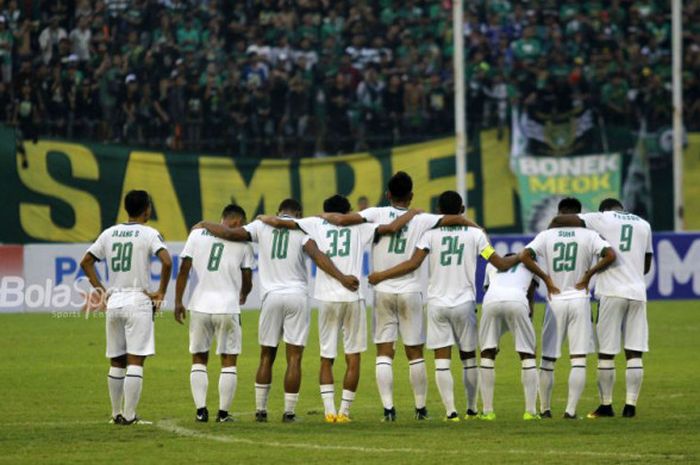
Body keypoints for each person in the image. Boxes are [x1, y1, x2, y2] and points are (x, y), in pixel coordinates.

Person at [321, 172, 480, 421]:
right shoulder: (422, 218)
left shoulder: (374, 214)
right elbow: (455, 220)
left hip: (382, 291)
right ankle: (420, 409)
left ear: (388, 194)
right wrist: (476, 227)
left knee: (385, 353)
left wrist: (323, 216)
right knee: (414, 353)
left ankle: (388, 409)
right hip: (410, 291)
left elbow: (342, 220)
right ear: (412, 195)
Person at [257, 194, 421, 423]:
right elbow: (393, 228)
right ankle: (344, 412)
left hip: (326, 298)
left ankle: (328, 412)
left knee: (327, 357)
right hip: (353, 297)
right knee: (353, 357)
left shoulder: (313, 224)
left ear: (327, 210)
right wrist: (412, 213)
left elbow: (281, 222)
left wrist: (264, 217)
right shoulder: (360, 226)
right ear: (349, 211)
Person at [194, 199, 359, 423]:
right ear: (298, 213)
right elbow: (319, 257)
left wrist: (204, 223)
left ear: (278, 211)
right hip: (297, 297)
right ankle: (289, 413)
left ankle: (261, 410)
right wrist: (342, 278)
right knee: (294, 358)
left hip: (270, 297)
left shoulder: (261, 226)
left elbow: (231, 234)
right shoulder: (302, 227)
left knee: (266, 355)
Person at [367, 191, 518, 421]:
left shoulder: (429, 234)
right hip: (464, 303)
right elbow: (499, 263)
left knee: (441, 361)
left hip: (437, 303)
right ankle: (471, 408)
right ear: (463, 209)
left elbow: (413, 263)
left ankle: (451, 412)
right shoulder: (476, 235)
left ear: (438, 210)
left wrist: (382, 275)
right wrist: (522, 257)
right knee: (468, 358)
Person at [550, 198, 653, 418]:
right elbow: (646, 265)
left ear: (603, 210)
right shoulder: (644, 224)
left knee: (607, 353)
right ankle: (630, 406)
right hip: (637, 292)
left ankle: (606, 405)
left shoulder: (602, 218)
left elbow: (562, 219)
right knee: (634, 351)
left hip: (611, 291)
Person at [80, 190, 172, 425]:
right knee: (135, 360)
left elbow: (86, 262)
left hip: (115, 301)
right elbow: (167, 261)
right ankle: (130, 416)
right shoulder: (149, 233)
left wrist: (101, 290)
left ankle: (115, 414)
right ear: (147, 209)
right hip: (137, 301)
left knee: (116, 361)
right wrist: (161, 292)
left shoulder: (109, 233)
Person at [520, 197, 616, 419]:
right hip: (579, 299)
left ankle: (545, 409)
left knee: (548, 359)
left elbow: (524, 255)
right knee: (579, 359)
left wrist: (545, 278)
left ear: (559, 212)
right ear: (578, 214)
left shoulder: (546, 235)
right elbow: (610, 254)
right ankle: (570, 412)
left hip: (555, 300)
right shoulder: (590, 235)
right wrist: (588, 275)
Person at [175, 204, 255, 423]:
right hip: (227, 307)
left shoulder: (197, 234)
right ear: (238, 222)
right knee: (229, 360)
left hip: (199, 306)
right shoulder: (243, 243)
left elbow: (183, 269)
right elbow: (248, 278)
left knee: (198, 358)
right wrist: (244, 293)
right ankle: (223, 413)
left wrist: (178, 301)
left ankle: (201, 411)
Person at [479, 253, 539, 421]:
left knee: (487, 352)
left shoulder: (491, 265)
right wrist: (529, 318)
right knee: (527, 354)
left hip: (491, 301)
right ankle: (531, 412)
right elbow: (530, 295)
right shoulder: (529, 265)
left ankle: (487, 411)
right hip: (517, 300)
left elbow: (489, 288)